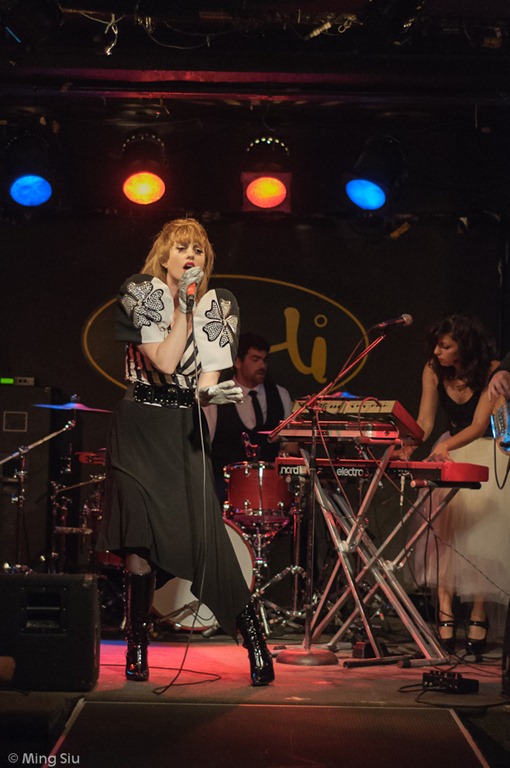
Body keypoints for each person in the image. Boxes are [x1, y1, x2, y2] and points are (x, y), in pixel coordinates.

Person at [97, 218, 274, 686]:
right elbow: (165, 359)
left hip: (183, 428)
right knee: (137, 543)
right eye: (180, 247)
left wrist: (211, 393)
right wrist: (185, 309)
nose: (190, 255)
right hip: (139, 427)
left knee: (207, 540)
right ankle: (137, 647)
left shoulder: (220, 304)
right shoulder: (142, 291)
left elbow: (205, 377)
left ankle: (255, 641)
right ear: (164, 255)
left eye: (197, 248)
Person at [404, 313, 510, 658]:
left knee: (481, 537)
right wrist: (407, 444)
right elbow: (425, 421)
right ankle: (445, 610)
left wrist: (445, 446)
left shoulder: (493, 371)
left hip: (486, 450)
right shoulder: (433, 369)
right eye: (436, 345)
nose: (438, 352)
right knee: (445, 535)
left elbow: (479, 425)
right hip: (449, 448)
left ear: (464, 346)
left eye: (445, 346)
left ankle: (479, 611)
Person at [205, 332, 298, 504]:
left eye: (265, 360)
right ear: (237, 362)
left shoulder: (280, 394)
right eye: (255, 359)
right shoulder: (219, 395)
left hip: (272, 491)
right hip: (226, 490)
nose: (262, 365)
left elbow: (289, 446)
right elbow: (205, 444)